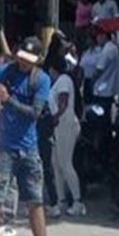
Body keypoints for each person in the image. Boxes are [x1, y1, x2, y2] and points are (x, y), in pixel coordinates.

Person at [0, 37, 66, 236]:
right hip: (3, 147)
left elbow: (35, 113)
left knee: (35, 201)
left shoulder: (41, 80)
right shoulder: (1, 72)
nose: (22, 62)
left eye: (28, 60)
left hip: (28, 148)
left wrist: (8, 100)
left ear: (37, 60)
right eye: (20, 57)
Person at [46, 55, 85, 216]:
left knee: (66, 163)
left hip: (65, 125)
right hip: (59, 126)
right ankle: (61, 200)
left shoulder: (62, 81)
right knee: (56, 163)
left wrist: (54, 119)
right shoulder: (61, 81)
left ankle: (78, 201)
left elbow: (63, 103)